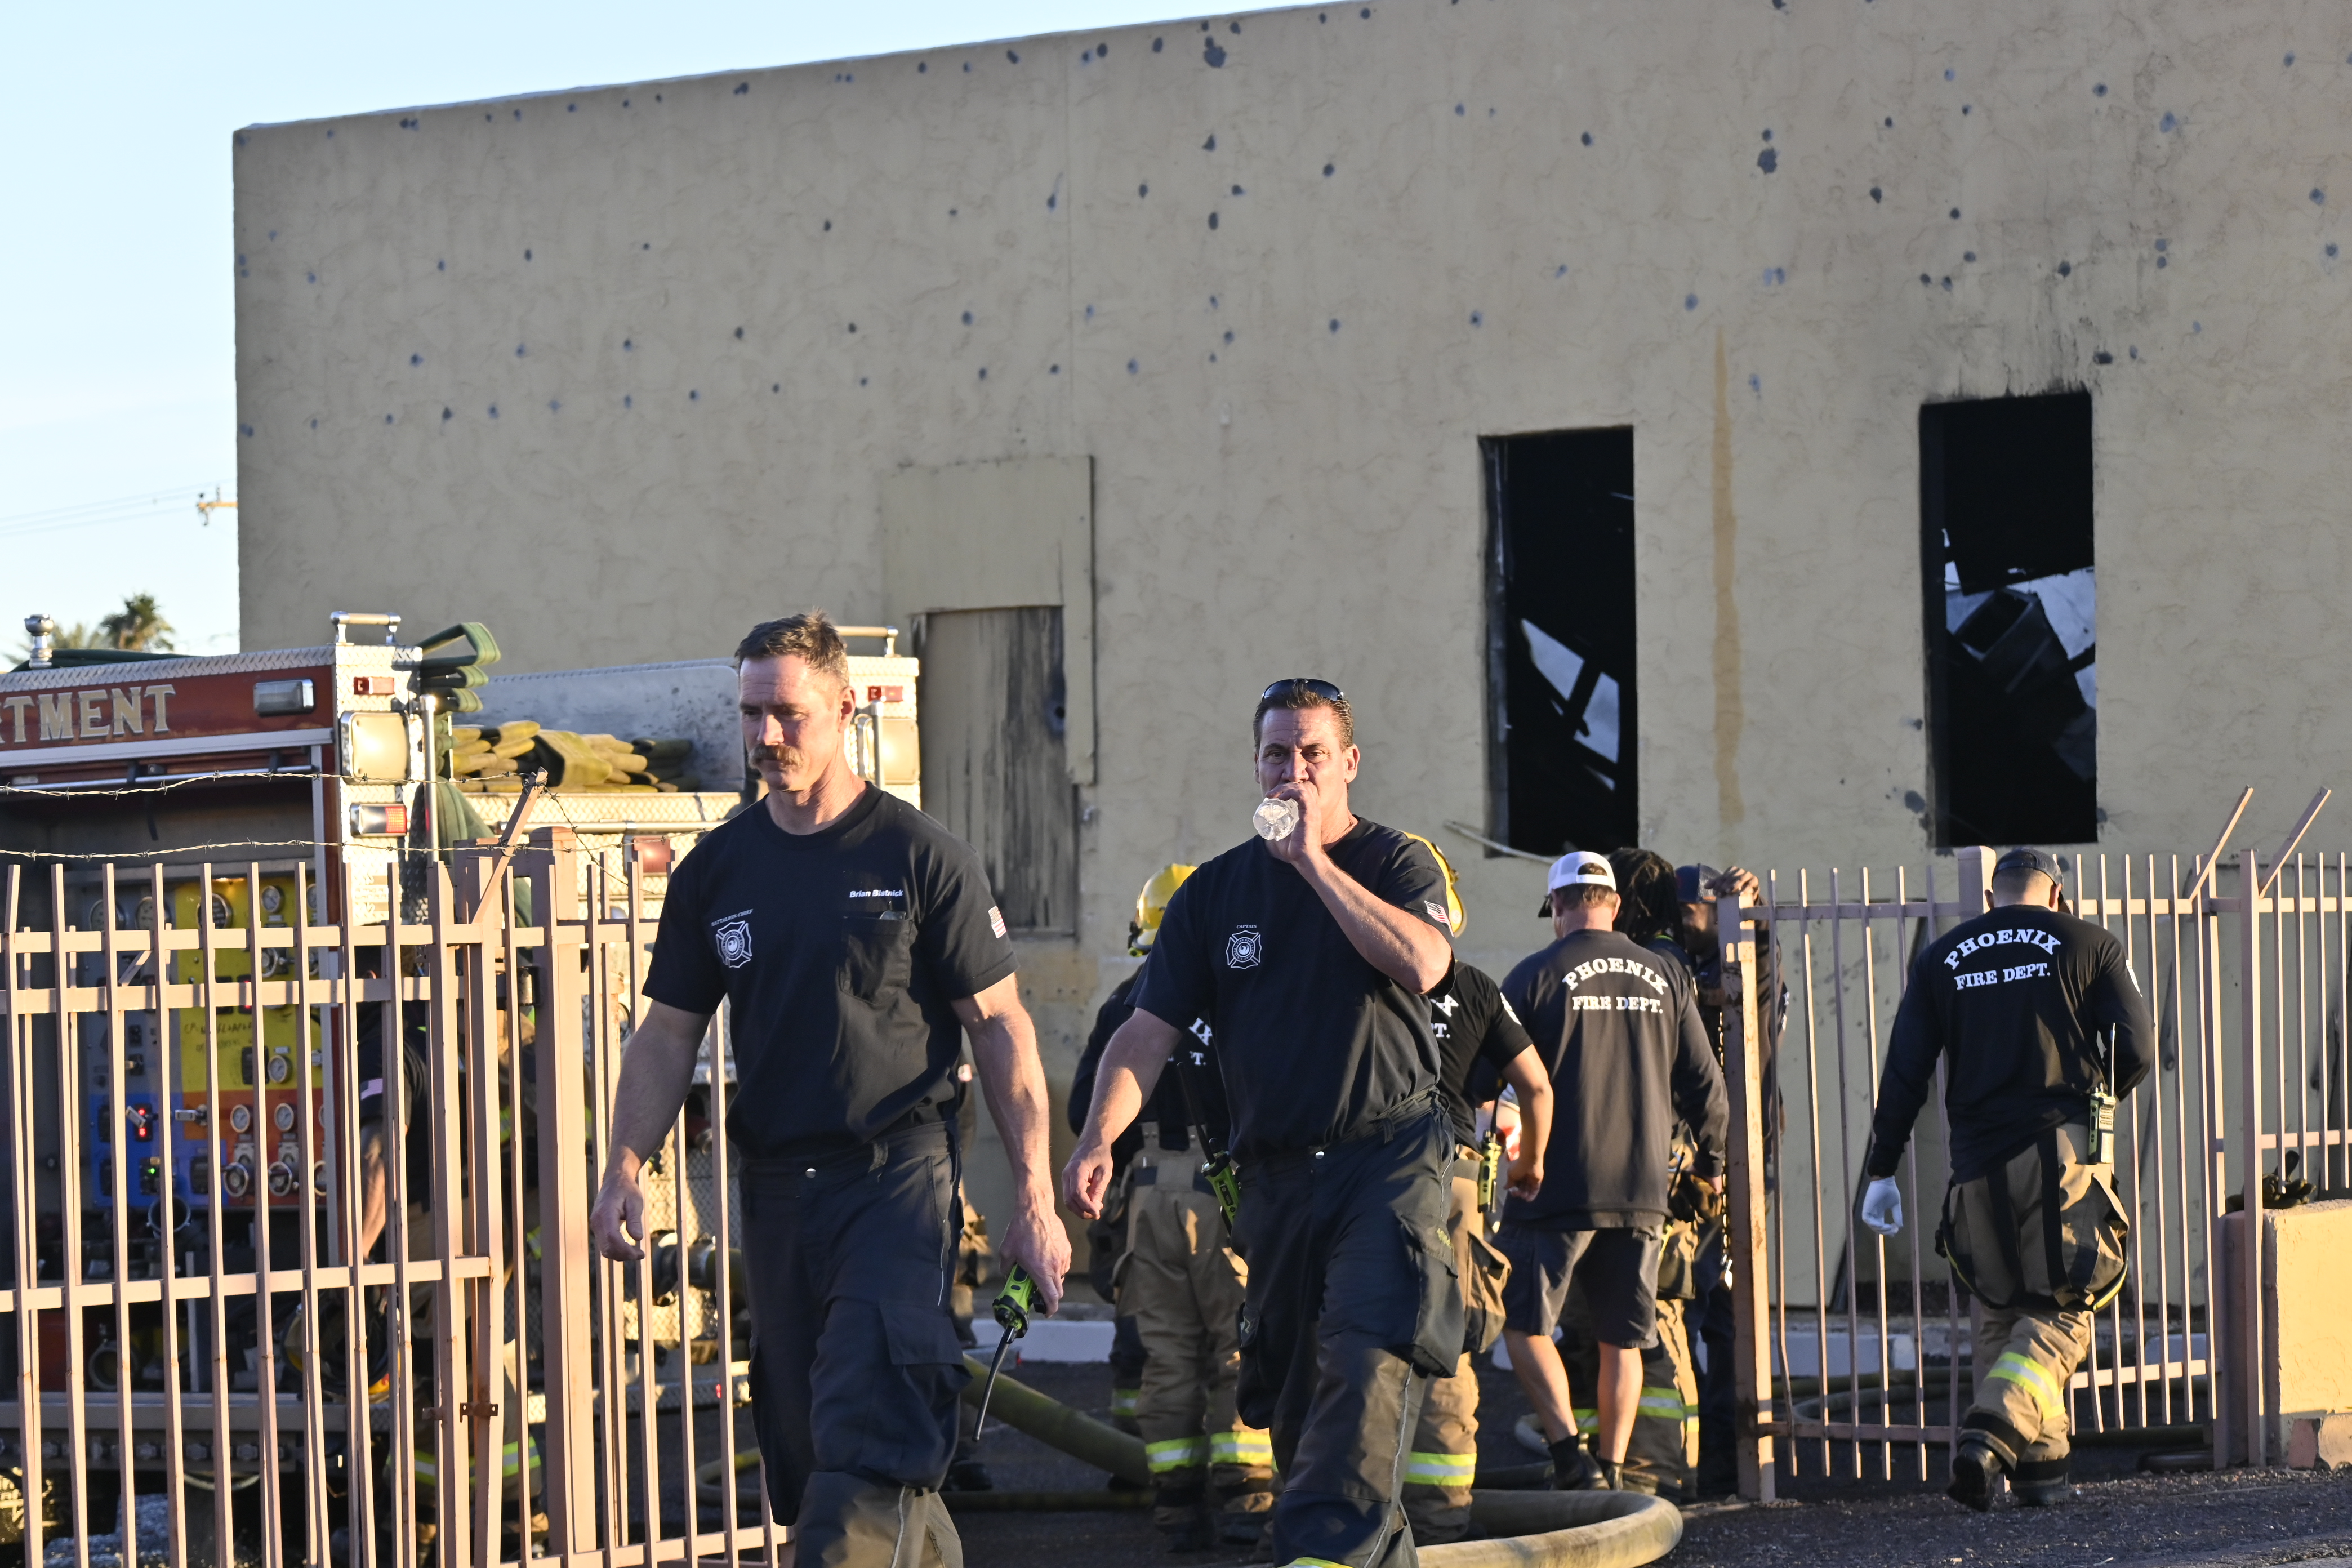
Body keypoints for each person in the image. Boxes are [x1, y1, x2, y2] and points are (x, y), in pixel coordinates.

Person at [587, 611, 1071, 1567]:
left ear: (846, 709)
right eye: (751, 713)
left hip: (895, 1180)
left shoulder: (919, 856)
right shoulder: (718, 870)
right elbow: (667, 1033)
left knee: (872, 1415)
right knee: (809, 1449)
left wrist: (1034, 1195)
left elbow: (1001, 1025)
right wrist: (623, 1166)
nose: (766, 735)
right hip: (776, 1188)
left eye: (788, 714)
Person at [1065, 678, 1458, 1568]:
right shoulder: (1213, 894)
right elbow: (1145, 1033)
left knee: (1367, 1354)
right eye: (1278, 754)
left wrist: (1314, 864)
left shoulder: (1397, 862)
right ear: (1255, 765)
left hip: (1384, 1162)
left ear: (1349, 763)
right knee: (1289, 1393)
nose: (1294, 771)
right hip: (1276, 1179)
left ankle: (1317, 1552)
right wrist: (1096, 1139)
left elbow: (1426, 963)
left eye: (1313, 753)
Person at [1861, 847, 2150, 1511]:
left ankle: (2040, 1475)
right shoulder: (2089, 943)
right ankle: (1989, 1436)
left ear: (1991, 899)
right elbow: (2135, 1045)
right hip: (2059, 1152)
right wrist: (2100, 1100)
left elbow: (1905, 1070)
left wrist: (1882, 1168)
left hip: (1975, 1163)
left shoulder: (1942, 958)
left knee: (2001, 1304)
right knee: (2066, 1307)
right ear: (2057, 896)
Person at [1499, 851, 1727, 1494]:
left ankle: (1571, 1459)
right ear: (1615, 905)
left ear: (1557, 906)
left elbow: (1490, 1080)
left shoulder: (1532, 976)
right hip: (1642, 1191)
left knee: (1523, 1325)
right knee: (1622, 1340)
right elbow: (1706, 1086)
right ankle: (1615, 1468)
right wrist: (1712, 1165)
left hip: (1553, 1189)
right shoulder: (1666, 975)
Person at [1071, 863, 1276, 1550]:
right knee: (1238, 1347)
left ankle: (1177, 1511)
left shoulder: (1123, 1008)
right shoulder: (1236, 995)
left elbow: (1084, 1112)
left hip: (1148, 1198)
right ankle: (1246, 1504)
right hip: (1227, 1194)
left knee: (1166, 1355)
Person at [1403, 905, 1553, 1545]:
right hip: (1455, 1178)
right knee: (1448, 1335)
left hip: (1364, 1178)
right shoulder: (1475, 988)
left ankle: (1358, 1518)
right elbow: (1536, 1089)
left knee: (1356, 1339)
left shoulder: (1350, 972)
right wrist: (1530, 1165)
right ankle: (1439, 1525)